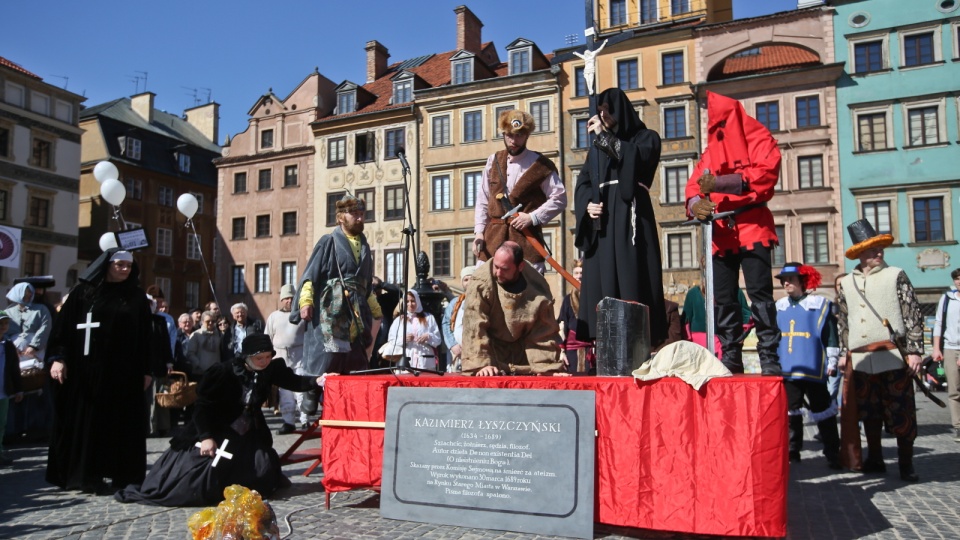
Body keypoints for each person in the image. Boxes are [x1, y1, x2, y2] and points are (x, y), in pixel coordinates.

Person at [115, 334, 329, 506]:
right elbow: (202, 407)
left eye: (267, 357)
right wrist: (206, 437)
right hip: (218, 427)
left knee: (262, 473)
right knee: (199, 482)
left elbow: (293, 380)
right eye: (259, 358)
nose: (264, 362)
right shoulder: (224, 373)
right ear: (246, 357)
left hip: (249, 432)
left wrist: (316, 380)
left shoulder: (271, 368)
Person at [685, 91, 782, 376]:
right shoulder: (712, 150)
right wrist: (695, 204)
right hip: (720, 231)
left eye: (721, 123)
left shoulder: (760, 139)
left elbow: (766, 174)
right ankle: (730, 354)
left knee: (760, 294)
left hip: (753, 225)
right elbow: (693, 186)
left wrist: (721, 182)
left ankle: (768, 355)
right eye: (714, 124)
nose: (717, 129)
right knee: (723, 296)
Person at [45, 249, 154, 493]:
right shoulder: (83, 294)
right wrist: (58, 358)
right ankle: (86, 475)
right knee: (87, 424)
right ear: (107, 265)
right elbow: (61, 331)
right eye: (120, 265)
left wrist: (147, 370)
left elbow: (146, 337)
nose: (125, 269)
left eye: (128, 266)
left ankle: (122, 475)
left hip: (123, 374)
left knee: (120, 424)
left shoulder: (135, 298)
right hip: (86, 373)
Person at [574, 87, 666, 347]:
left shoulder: (646, 137)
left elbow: (633, 159)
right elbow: (582, 183)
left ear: (620, 111)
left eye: (607, 111)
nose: (602, 117)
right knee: (603, 283)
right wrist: (587, 206)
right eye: (599, 112)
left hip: (629, 219)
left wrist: (603, 137)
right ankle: (605, 343)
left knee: (631, 278)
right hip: (602, 224)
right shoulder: (596, 150)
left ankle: (635, 343)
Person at [837, 219, 923, 482]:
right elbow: (843, 320)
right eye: (872, 249)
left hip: (894, 356)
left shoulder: (896, 274)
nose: (878, 253)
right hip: (862, 359)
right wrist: (843, 352)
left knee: (901, 410)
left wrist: (915, 350)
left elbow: (912, 313)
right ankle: (875, 459)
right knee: (868, 412)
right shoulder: (846, 282)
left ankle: (906, 464)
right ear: (860, 253)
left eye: (879, 248)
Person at [290, 194, 376, 378]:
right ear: (340, 217)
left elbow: (366, 285)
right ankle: (311, 403)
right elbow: (310, 276)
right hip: (330, 313)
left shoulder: (366, 247)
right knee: (324, 369)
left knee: (355, 369)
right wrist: (305, 301)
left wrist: (376, 310)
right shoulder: (328, 241)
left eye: (362, 213)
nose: (360, 218)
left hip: (357, 315)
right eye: (354, 213)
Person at [472, 110, 567, 274]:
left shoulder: (542, 165)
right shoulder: (493, 160)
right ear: (503, 134)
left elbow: (559, 198)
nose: (513, 140)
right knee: (483, 289)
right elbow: (483, 199)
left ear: (527, 136)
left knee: (529, 293)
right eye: (509, 135)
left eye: (519, 135)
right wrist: (479, 232)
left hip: (527, 240)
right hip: (493, 239)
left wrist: (532, 217)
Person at [461, 242, 564, 376]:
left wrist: (546, 366)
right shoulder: (480, 283)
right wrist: (480, 363)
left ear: (520, 266)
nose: (498, 273)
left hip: (525, 359)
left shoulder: (537, 287)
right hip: (491, 359)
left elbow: (543, 330)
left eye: (504, 269)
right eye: (496, 266)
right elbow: (474, 326)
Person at [775, 263, 841, 469]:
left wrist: (832, 361)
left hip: (814, 367)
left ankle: (833, 453)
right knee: (790, 413)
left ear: (803, 281)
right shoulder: (779, 307)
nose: (786, 283)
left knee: (824, 412)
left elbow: (830, 335)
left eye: (791, 280)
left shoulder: (819, 304)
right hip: (787, 367)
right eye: (784, 280)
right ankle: (792, 452)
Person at [265, 284, 306, 433]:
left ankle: (305, 420)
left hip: (300, 356)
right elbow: (267, 337)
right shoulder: (273, 317)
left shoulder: (303, 315)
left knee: (301, 391)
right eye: (286, 298)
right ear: (282, 300)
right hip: (280, 357)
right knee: (285, 392)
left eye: (292, 298)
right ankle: (288, 422)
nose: (289, 301)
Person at [681, 283, 752, 357]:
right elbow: (686, 321)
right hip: (699, 342)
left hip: (727, 339)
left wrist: (741, 335)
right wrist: (688, 341)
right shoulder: (693, 293)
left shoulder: (734, 290)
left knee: (725, 366)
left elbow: (747, 315)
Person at [932, 267, 960, 442]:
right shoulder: (947, 299)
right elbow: (938, 323)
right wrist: (936, 348)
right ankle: (958, 426)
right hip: (950, 347)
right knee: (954, 390)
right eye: (956, 279)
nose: (959, 281)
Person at [386, 290, 442, 370]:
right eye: (407, 301)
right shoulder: (399, 320)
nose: (410, 304)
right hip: (406, 361)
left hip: (425, 361)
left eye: (413, 301)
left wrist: (428, 336)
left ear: (417, 301)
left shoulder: (429, 318)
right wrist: (403, 339)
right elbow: (391, 341)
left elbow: (438, 340)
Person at [556, 260, 594, 374]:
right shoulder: (567, 299)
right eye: (576, 273)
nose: (579, 276)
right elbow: (562, 325)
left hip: (591, 352)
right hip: (571, 354)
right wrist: (561, 352)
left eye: (582, 273)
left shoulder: (593, 298)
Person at [5, 282, 53, 364]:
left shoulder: (41, 309)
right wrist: (10, 347)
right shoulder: (7, 312)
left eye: (30, 291)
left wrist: (34, 346)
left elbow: (45, 327)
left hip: (34, 351)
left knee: (33, 374)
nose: (29, 294)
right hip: (13, 352)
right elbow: (3, 331)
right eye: (26, 291)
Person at [0, 311, 24, 466]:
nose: (3, 327)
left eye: (5, 323)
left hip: (3, 391)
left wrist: (18, 389)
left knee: (1, 423)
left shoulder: (8, 345)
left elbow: (15, 369)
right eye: (0, 324)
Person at [442, 266, 475, 373]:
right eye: (466, 279)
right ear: (462, 283)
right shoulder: (455, 303)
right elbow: (446, 323)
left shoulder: (484, 301)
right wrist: (453, 345)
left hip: (475, 353)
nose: (469, 282)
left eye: (472, 278)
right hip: (456, 353)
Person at [826, 273, 848, 409]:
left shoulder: (857, 305)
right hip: (836, 352)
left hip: (852, 353)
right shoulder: (832, 307)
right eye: (839, 284)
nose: (842, 287)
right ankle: (830, 418)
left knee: (853, 390)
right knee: (831, 388)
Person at [186, 311, 222, 380]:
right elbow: (190, 353)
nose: (211, 323)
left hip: (216, 371)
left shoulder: (218, 334)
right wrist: (199, 364)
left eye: (213, 321)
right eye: (208, 321)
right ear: (202, 321)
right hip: (200, 372)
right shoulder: (196, 335)